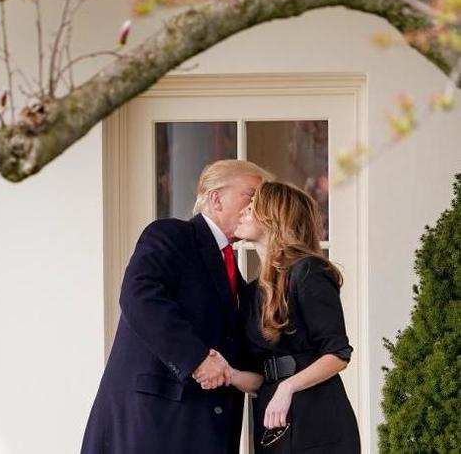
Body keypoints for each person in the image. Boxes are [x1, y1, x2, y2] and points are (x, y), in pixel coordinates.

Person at [80, 160, 273, 454]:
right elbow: (140, 296)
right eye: (251, 195)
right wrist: (196, 358)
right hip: (153, 422)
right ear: (216, 198)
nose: (258, 207)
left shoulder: (236, 272)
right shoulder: (171, 235)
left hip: (204, 430)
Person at [199, 181, 360, 452]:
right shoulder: (251, 291)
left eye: (251, 209)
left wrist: (288, 388)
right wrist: (228, 373)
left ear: (273, 217)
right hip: (272, 419)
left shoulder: (309, 272)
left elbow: (338, 354)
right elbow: (259, 376)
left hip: (317, 417)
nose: (242, 214)